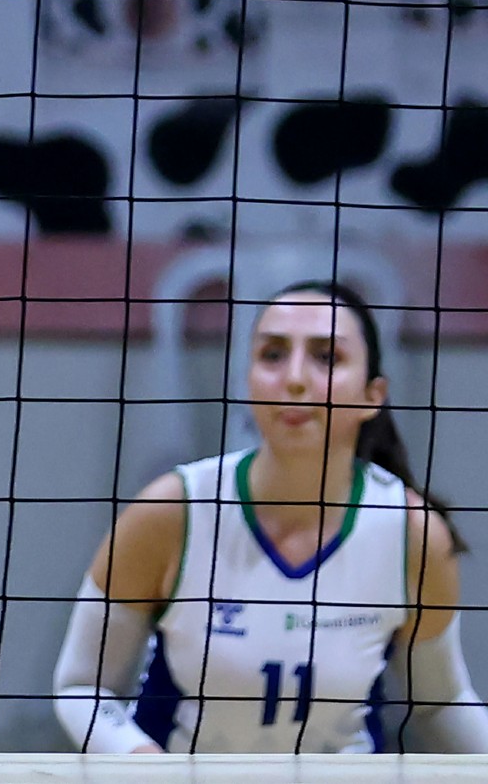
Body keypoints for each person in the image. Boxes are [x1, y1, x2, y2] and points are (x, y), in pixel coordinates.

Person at [53, 281, 488, 753]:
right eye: (273, 355)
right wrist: (139, 762)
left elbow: (441, 703)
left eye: (327, 357)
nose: (295, 378)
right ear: (248, 381)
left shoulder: (412, 533)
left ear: (372, 395)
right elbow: (82, 686)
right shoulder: (172, 511)